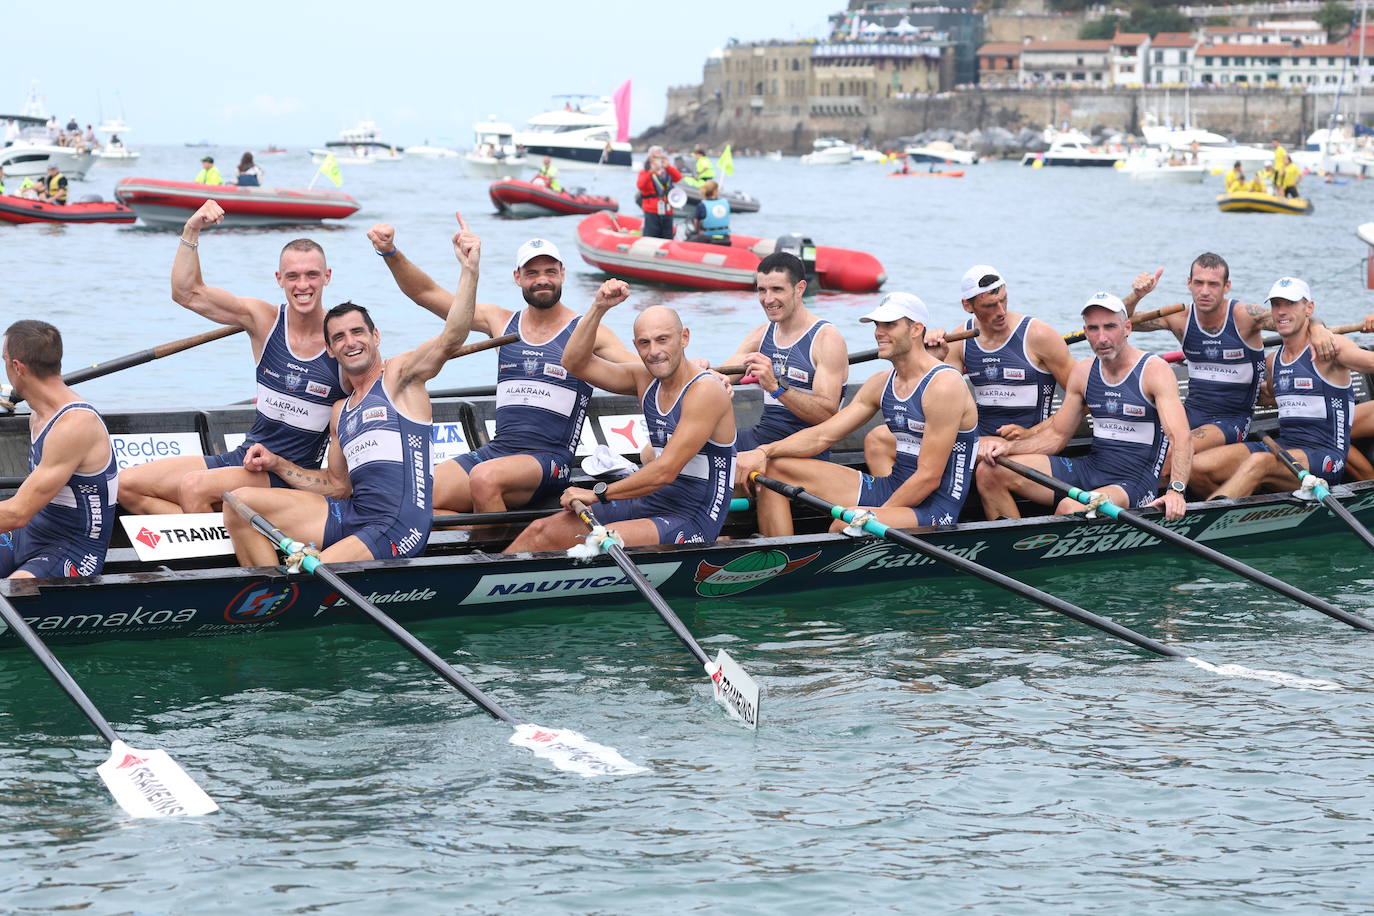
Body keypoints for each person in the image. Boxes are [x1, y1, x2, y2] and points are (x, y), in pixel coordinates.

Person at [224, 223, 481, 566]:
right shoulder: (340, 411)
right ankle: (268, 604)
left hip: (397, 524)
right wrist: (278, 464)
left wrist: (469, 270)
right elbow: (337, 486)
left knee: (312, 573)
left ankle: (291, 597)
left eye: (358, 332)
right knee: (239, 505)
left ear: (375, 336)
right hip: (352, 512)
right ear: (330, 350)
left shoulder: (400, 377)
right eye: (340, 337)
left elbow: (453, 334)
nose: (351, 342)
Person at [369, 221, 635, 513]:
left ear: (562, 274)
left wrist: (689, 367)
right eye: (532, 273)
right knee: (415, 493)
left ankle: (488, 552)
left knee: (484, 478)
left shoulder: (587, 331)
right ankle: (475, 532)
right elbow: (426, 294)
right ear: (517, 277)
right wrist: (390, 251)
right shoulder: (501, 322)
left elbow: (640, 371)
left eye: (550, 272)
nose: (542, 280)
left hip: (550, 462)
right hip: (499, 452)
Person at [117, 200, 347, 515]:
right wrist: (192, 228)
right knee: (125, 485)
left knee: (195, 486)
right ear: (279, 278)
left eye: (312, 275)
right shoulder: (264, 320)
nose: (303, 285)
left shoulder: (343, 338)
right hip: (246, 457)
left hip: (289, 476)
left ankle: (214, 549)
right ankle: (224, 535)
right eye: (293, 276)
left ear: (327, 276)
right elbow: (186, 293)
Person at [505, 289, 736, 551]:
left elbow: (665, 471)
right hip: (652, 499)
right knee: (540, 531)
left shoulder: (705, 391)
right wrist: (598, 307)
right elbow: (574, 363)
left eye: (663, 340)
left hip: (692, 516)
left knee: (595, 542)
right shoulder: (644, 379)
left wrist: (596, 494)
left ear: (684, 338)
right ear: (636, 345)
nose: (654, 352)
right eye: (644, 343)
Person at [735, 292, 978, 537]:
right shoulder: (881, 383)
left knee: (842, 524)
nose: (879, 332)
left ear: (916, 329)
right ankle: (781, 556)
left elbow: (929, 477)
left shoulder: (944, 385)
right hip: (894, 487)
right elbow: (822, 436)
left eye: (890, 325)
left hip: (935, 507)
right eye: (877, 324)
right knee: (774, 468)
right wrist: (763, 451)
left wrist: (870, 516)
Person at [977, 293, 1193, 522]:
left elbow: (1181, 437)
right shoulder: (1083, 372)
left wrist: (1176, 491)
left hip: (1133, 482)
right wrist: (1009, 449)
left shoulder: (1154, 371)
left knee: (1071, 507)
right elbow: (1056, 435)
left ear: (1127, 328)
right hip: (1091, 469)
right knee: (990, 472)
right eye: (1093, 328)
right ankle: (1017, 545)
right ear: (1085, 331)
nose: (1101, 338)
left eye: (1110, 327)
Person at [864, 265, 1076, 495]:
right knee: (878, 439)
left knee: (987, 469)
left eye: (1004, 300)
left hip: (1030, 444)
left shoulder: (1039, 335)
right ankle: (892, 504)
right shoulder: (960, 340)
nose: (1001, 311)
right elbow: (939, 402)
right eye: (989, 305)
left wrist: (1034, 432)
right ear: (968, 305)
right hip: (978, 441)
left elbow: (1082, 399)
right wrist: (934, 357)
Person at [1123, 253, 1334, 465]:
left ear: (1226, 287)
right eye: (1199, 283)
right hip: (1191, 411)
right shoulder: (1179, 318)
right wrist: (1137, 295)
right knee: (1136, 448)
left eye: (1213, 284)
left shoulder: (1246, 316)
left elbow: (1293, 320)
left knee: (1171, 453)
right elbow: (1121, 323)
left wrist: (1317, 326)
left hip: (1231, 420)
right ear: (1189, 283)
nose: (1205, 291)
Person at [1192, 278, 1374, 499]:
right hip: (1283, 448)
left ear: (1309, 308)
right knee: (1196, 467)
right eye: (1276, 304)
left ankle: (1214, 522)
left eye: (1290, 304)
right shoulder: (1272, 361)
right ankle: (1237, 519)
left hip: (1325, 458)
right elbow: (1264, 395)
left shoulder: (1331, 349)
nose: (1281, 311)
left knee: (1260, 462)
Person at [0, 321, 118, 579]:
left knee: (14, 591)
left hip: (71, 549)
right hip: (29, 533)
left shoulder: (74, 425)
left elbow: (17, 513)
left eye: (4, 360)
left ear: (17, 367)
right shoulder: (39, 410)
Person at [703, 251, 846, 460]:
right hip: (762, 438)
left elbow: (826, 415)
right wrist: (699, 372)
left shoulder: (826, 339)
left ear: (800, 289)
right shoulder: (762, 334)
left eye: (777, 289)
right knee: (680, 449)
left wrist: (775, 386)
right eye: (762, 290)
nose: (768, 299)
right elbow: (721, 376)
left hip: (804, 450)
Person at [636, 149, 681, 240]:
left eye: (660, 157)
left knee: (667, 237)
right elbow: (640, 185)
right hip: (651, 210)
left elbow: (678, 177)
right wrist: (651, 171)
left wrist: (668, 166)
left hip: (667, 209)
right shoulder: (645, 172)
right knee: (651, 236)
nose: (658, 160)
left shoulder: (667, 172)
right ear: (650, 159)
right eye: (655, 157)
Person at [687, 180, 731, 245]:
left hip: (708, 237)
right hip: (725, 237)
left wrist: (698, 231)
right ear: (716, 191)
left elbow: (696, 222)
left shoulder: (702, 205)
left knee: (689, 239)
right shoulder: (725, 202)